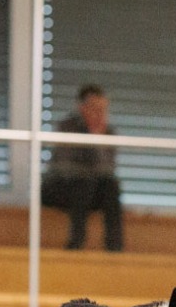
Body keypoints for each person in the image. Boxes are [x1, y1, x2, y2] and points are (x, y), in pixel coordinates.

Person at [47, 83, 124, 251]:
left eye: (103, 109)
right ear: (81, 107)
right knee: (83, 183)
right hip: (64, 188)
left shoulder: (108, 133)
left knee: (111, 186)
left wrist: (97, 139)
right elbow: (64, 167)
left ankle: (115, 249)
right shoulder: (67, 128)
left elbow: (108, 169)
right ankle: (75, 245)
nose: (99, 113)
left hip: (91, 190)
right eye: (94, 108)